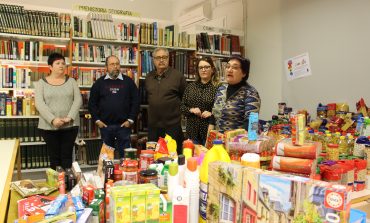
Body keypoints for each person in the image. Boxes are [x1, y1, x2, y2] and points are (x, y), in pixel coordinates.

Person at [35, 52, 82, 170]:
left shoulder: (71, 81)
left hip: (70, 126)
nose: (61, 65)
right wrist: (53, 119)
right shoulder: (41, 83)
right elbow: (39, 103)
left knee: (67, 157)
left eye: (63, 63)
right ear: (50, 67)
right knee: (54, 158)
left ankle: (67, 184)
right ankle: (57, 185)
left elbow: (78, 100)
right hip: (49, 127)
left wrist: (69, 117)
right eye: (58, 63)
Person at [88, 55, 139, 158]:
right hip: (106, 126)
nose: (115, 66)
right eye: (112, 64)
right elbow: (92, 103)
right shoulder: (99, 83)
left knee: (126, 158)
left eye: (117, 64)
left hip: (124, 126)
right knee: (107, 158)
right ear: (106, 67)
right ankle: (108, 174)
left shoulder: (128, 82)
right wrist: (97, 120)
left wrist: (130, 120)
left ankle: (127, 174)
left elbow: (136, 101)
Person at [145, 47, 187, 154]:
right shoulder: (149, 77)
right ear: (153, 60)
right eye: (158, 57)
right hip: (153, 127)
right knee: (154, 156)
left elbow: (185, 98)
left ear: (168, 59)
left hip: (172, 126)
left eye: (164, 57)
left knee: (171, 157)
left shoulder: (178, 76)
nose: (161, 60)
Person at [209, 55, 261, 132]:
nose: (229, 70)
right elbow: (213, 117)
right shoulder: (221, 89)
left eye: (235, 68)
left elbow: (252, 125)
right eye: (228, 67)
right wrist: (208, 139)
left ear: (244, 73)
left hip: (237, 142)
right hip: (218, 141)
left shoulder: (251, 93)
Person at [180, 57, 220, 145]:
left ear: (212, 69)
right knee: (192, 158)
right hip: (192, 133)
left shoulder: (218, 89)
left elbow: (222, 110)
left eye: (206, 67)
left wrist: (211, 114)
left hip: (210, 133)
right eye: (200, 68)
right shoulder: (190, 87)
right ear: (198, 70)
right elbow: (182, 107)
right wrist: (191, 110)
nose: (203, 70)